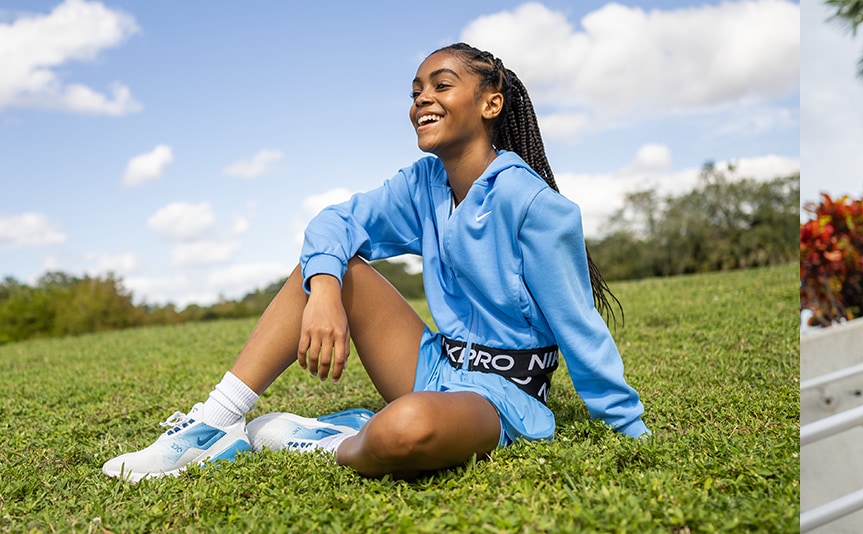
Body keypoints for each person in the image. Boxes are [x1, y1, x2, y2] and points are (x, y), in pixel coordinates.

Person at [102, 43, 649, 482]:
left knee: (402, 432)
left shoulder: (536, 208)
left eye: (441, 85)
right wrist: (324, 294)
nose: (421, 101)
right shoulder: (423, 184)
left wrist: (628, 430)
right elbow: (332, 223)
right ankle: (213, 425)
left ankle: (331, 441)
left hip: (503, 397)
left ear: (491, 103)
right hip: (432, 365)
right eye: (415, 92)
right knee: (327, 267)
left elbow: (581, 328)